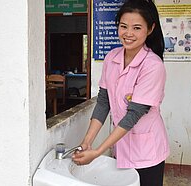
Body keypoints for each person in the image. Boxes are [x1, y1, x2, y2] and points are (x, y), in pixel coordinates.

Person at [72, 0, 169, 185]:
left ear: (150, 29)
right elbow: (103, 102)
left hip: (147, 154)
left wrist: (98, 151)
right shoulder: (112, 58)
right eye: (123, 26)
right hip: (121, 148)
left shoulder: (153, 66)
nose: (128, 33)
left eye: (137, 28)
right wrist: (87, 141)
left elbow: (134, 114)